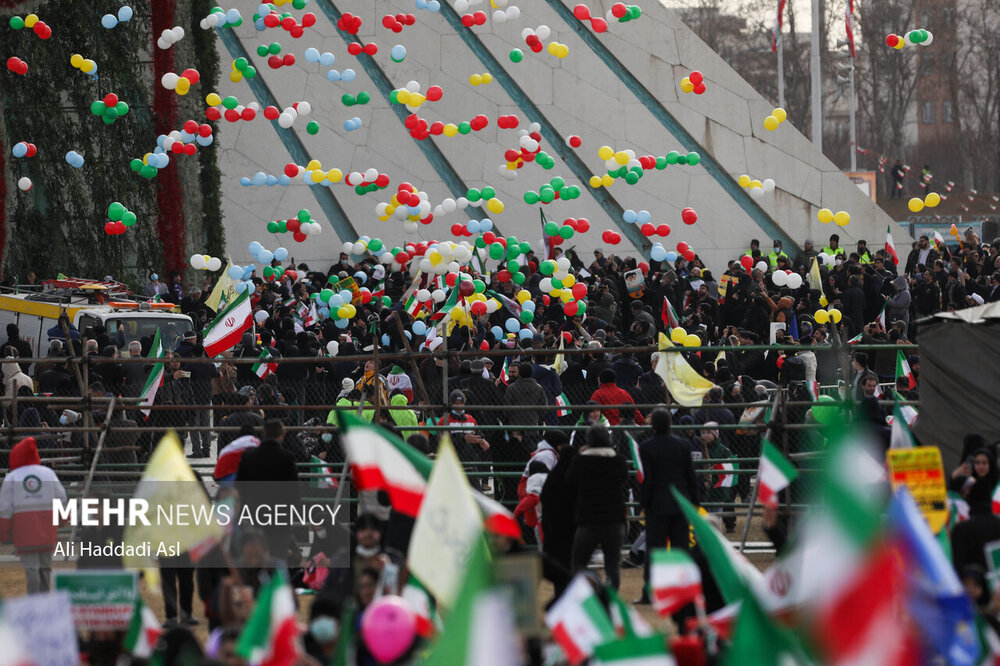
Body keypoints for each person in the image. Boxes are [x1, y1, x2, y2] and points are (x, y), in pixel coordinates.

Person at [637, 408, 700, 603]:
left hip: (657, 503)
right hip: (680, 501)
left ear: (652, 425)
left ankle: (650, 592)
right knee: (681, 548)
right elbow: (690, 475)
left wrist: (644, 503)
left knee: (654, 550)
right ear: (670, 424)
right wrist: (694, 501)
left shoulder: (646, 447)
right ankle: (685, 591)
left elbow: (646, 480)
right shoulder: (682, 445)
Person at [0, 437, 67, 593]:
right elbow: (62, 498)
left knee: (31, 569)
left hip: (24, 533)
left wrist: (3, 531)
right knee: (45, 568)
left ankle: (35, 602)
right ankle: (45, 602)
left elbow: (4, 508)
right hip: (47, 530)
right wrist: (63, 519)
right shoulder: (48, 474)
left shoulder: (12, 477)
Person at [566, 424, 629, 590]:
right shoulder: (619, 461)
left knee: (579, 562)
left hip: (588, 518)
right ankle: (612, 598)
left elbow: (570, 483)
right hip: (614, 518)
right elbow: (624, 481)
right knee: (612, 563)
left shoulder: (580, 461)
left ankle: (585, 593)